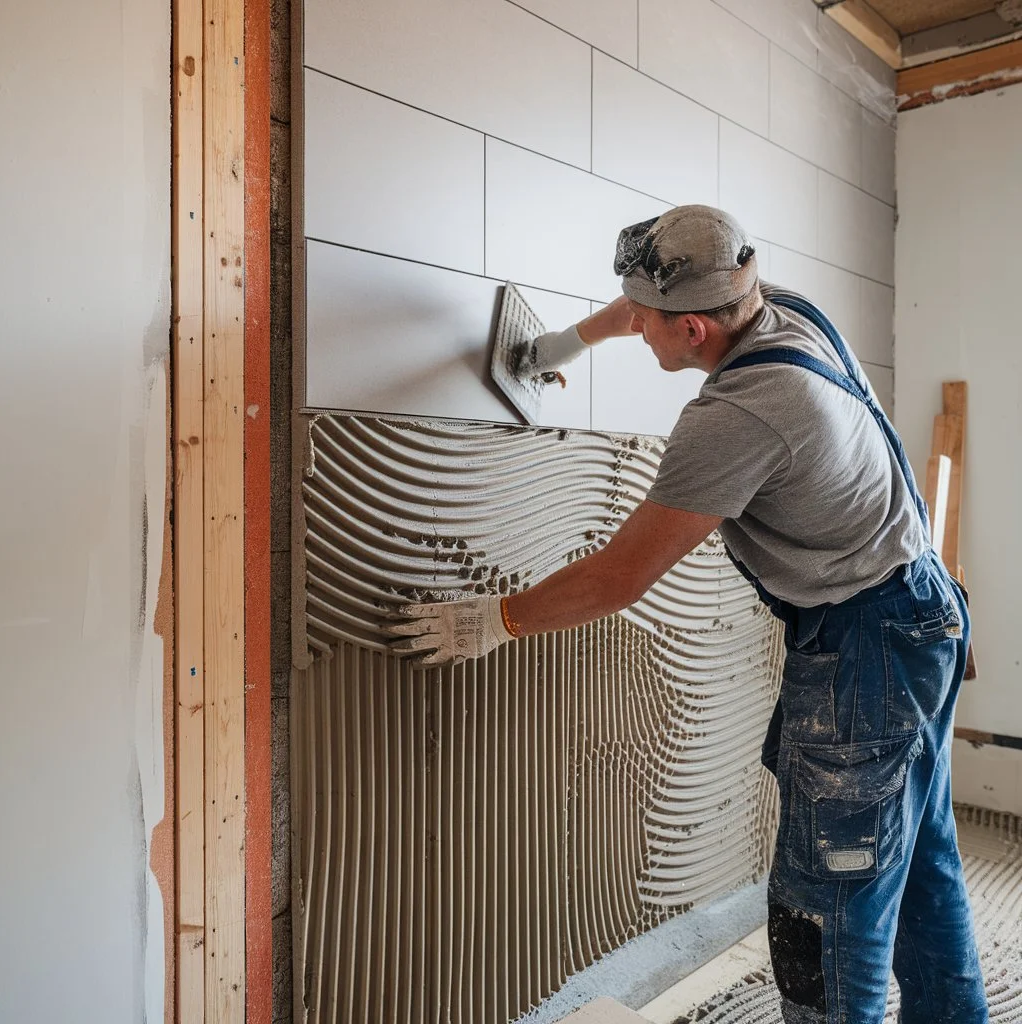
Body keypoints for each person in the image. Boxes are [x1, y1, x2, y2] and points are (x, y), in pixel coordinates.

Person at [388, 205, 987, 1023]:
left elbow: (621, 576)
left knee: (826, 907)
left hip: (870, 647)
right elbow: (646, 305)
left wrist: (497, 619)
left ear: (696, 331)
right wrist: (565, 345)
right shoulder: (778, 307)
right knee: (921, 864)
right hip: (919, 616)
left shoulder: (738, 416)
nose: (637, 330)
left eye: (647, 325)